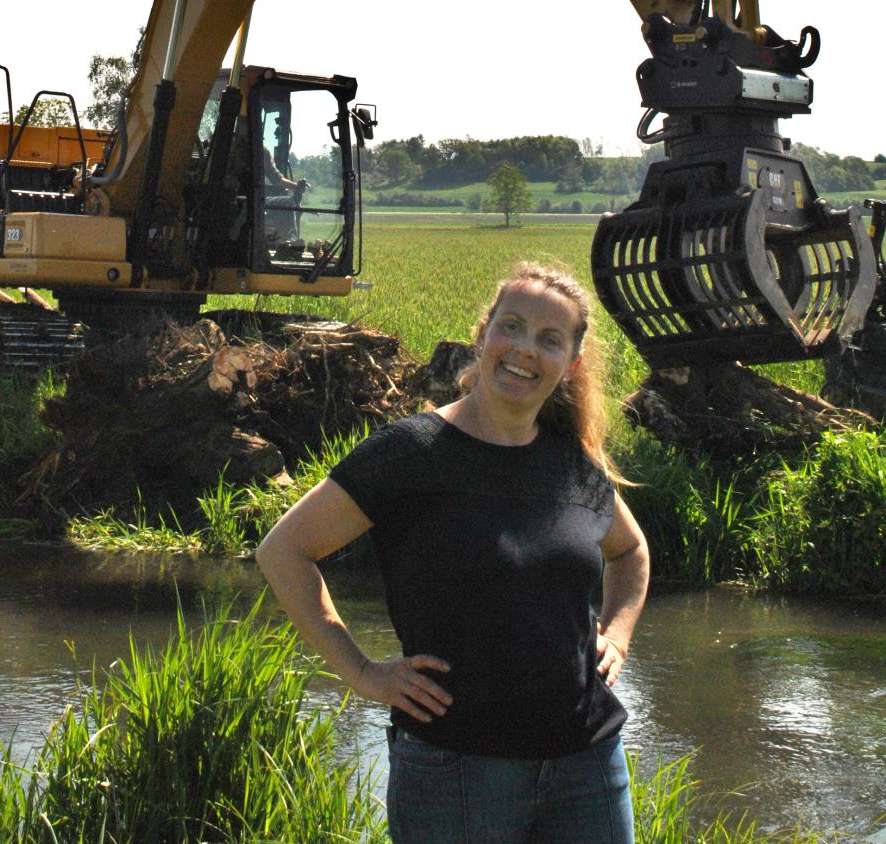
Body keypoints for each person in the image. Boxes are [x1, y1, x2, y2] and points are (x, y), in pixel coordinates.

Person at [256, 262, 649, 843]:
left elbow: (631, 552)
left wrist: (615, 634)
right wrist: (363, 671)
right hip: (455, 772)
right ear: (483, 333)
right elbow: (284, 550)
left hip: (587, 765)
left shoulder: (572, 463)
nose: (524, 349)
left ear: (572, 363)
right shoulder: (412, 453)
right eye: (511, 327)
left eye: (549, 339)